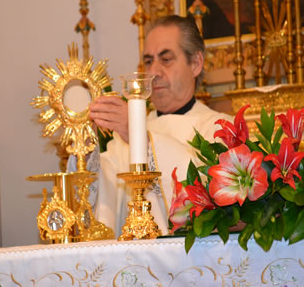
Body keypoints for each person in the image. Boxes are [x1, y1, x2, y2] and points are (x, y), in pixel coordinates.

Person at [89, 15, 233, 236]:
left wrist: (138, 136)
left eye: (166, 59)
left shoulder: (220, 129)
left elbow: (207, 197)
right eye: (148, 61)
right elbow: (101, 194)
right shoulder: (124, 133)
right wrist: (84, 147)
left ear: (195, 63)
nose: (154, 71)